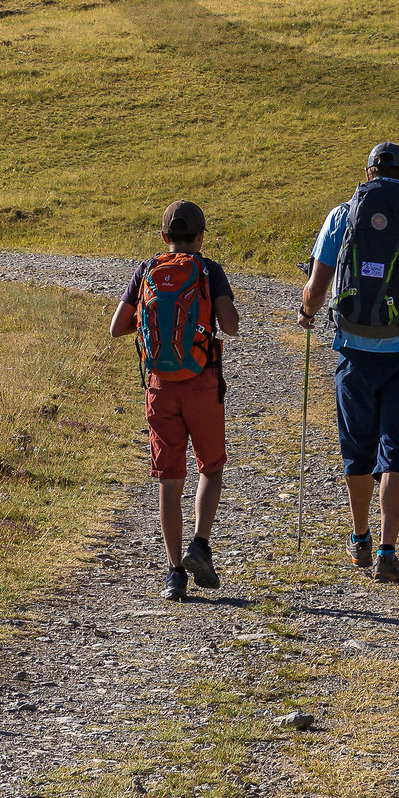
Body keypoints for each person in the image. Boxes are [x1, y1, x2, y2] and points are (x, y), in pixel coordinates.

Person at [298, 142, 399, 584]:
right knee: (397, 451)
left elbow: (317, 286)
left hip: (353, 349)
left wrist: (307, 314)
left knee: (358, 449)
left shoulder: (342, 214)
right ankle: (389, 547)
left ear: (368, 172)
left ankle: (360, 538)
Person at [110, 198, 240, 603]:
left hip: (160, 387)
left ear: (164, 236)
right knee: (211, 467)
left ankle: (174, 574)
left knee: (170, 480)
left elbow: (117, 328)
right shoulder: (208, 270)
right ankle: (200, 544)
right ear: (201, 236)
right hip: (202, 383)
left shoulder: (147, 269)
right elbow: (232, 327)